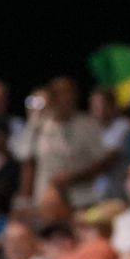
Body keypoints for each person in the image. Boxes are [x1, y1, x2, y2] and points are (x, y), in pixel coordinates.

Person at [15, 77, 110, 210]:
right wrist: (24, 202)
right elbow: (27, 161)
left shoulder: (87, 125)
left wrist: (74, 178)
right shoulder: (39, 125)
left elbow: (102, 164)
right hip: (46, 202)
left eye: (69, 93)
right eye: (59, 94)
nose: (65, 99)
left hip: (81, 201)